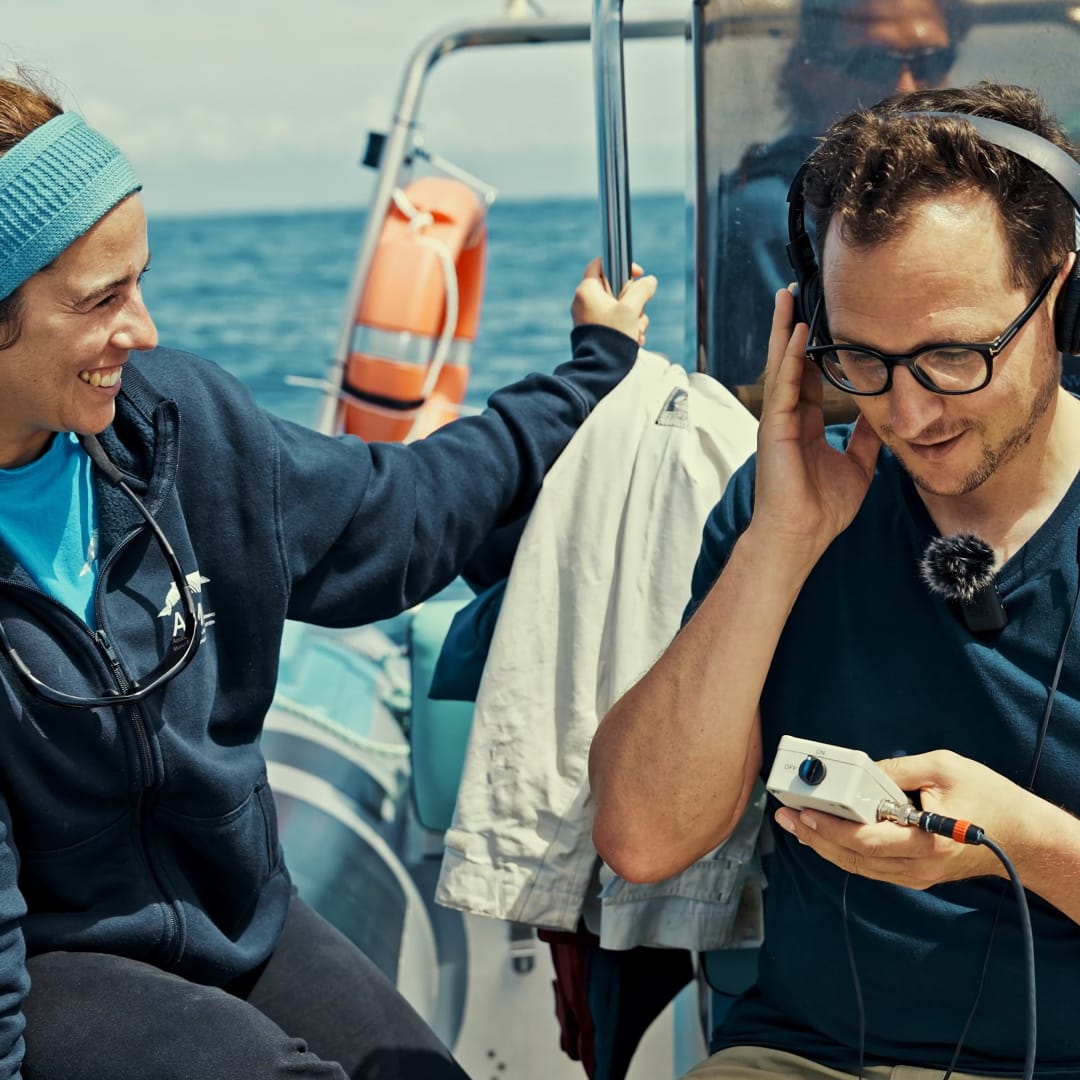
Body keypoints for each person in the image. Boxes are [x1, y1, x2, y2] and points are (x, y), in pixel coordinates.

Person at [0, 71, 655, 1080]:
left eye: (139, 282)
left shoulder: (177, 427)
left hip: (239, 913)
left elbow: (405, 509)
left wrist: (588, 374)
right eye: (102, 301)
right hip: (57, 968)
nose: (145, 330)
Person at [589, 80, 1080, 1078]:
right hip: (805, 1058)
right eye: (861, 358)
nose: (907, 415)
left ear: (1063, 299)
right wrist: (779, 542)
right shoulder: (785, 508)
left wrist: (1013, 837)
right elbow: (641, 839)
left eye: (951, 356)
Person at [713, 0, 967, 388]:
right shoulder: (767, 213)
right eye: (872, 62)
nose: (906, 86)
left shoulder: (982, 192)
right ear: (809, 70)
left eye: (931, 60)